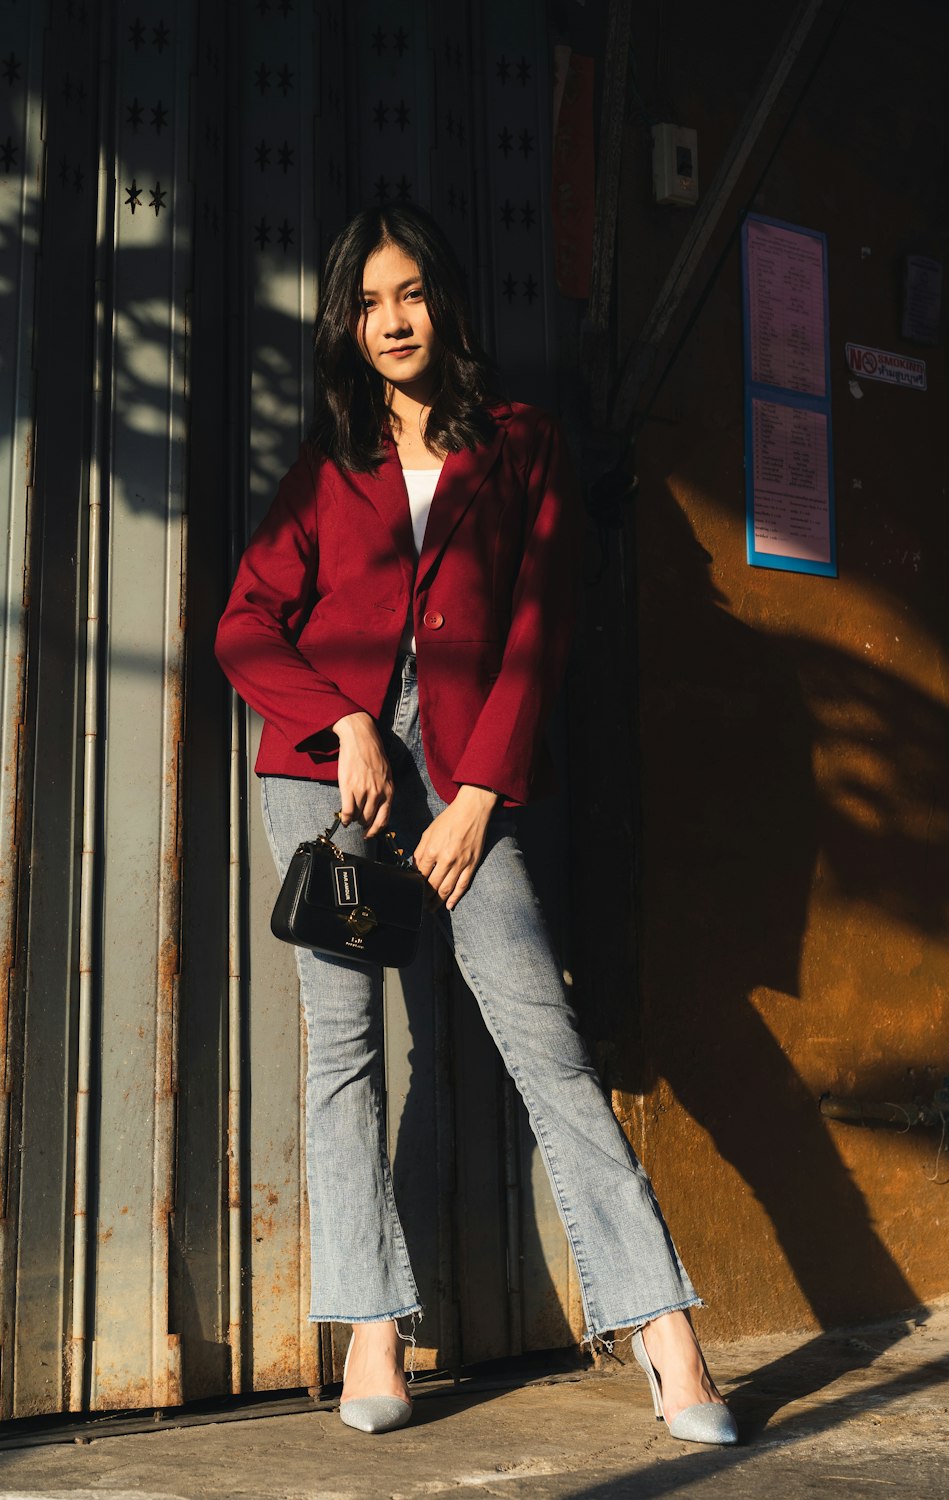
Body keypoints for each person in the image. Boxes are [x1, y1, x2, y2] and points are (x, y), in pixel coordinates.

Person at [215, 203, 737, 1445]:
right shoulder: (327, 464)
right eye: (367, 304)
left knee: (547, 1051)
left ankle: (665, 1335)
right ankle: (373, 1340)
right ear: (346, 326)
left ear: (441, 303)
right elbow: (243, 623)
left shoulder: (520, 444)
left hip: (465, 780)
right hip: (328, 782)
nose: (390, 322)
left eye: (409, 295)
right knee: (344, 1062)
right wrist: (340, 723)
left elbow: (540, 624)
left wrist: (482, 800)